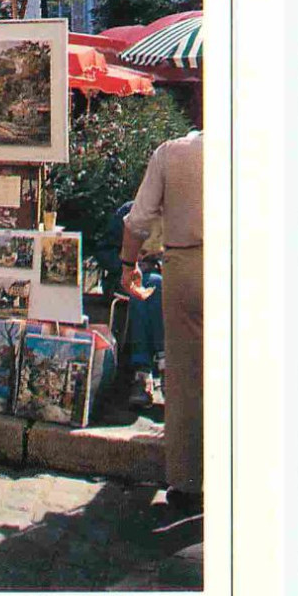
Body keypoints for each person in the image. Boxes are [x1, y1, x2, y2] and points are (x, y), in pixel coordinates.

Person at [120, 129, 203, 511]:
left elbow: (138, 219)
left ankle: (187, 482)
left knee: (185, 374)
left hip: (187, 263)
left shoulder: (173, 152)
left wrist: (127, 265)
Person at [96, 201, 165, 409]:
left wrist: (158, 262)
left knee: (152, 283)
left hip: (160, 275)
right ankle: (163, 367)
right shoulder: (129, 212)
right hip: (125, 277)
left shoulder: (178, 217)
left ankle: (142, 374)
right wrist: (128, 262)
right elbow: (104, 251)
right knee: (144, 285)